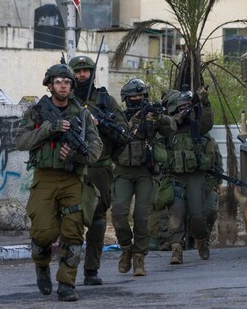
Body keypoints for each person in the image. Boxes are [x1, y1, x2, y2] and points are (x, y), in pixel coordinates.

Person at [14, 64, 103, 301]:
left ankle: (67, 284)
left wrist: (76, 155)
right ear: (50, 85)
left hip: (73, 179)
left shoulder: (82, 115)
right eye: (58, 81)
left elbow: (95, 149)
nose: (63, 85)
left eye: (67, 81)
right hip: (45, 178)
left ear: (72, 85)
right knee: (44, 233)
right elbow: (21, 141)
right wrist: (48, 129)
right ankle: (42, 265)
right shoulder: (37, 112)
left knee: (73, 233)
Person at [69, 55, 129, 285]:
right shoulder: (65, 99)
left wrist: (101, 124)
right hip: (73, 167)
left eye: (86, 71)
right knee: (71, 220)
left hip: (100, 168)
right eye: (78, 71)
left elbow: (123, 132)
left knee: (97, 221)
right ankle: (68, 270)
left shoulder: (106, 101)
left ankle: (91, 270)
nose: (82, 75)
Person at [112, 78, 176, 276]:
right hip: (123, 170)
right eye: (132, 97)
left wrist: (158, 118)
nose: (136, 99)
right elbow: (112, 136)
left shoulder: (152, 116)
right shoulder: (119, 117)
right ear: (126, 99)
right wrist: (133, 122)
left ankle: (139, 257)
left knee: (142, 216)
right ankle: (126, 248)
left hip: (146, 171)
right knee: (118, 213)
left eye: (140, 96)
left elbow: (170, 128)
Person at [162, 87, 214, 264]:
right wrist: (174, 120)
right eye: (181, 108)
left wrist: (205, 101)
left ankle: (201, 240)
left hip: (195, 176)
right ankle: (176, 248)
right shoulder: (168, 129)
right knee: (176, 215)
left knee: (198, 216)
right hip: (175, 177)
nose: (185, 111)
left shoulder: (195, 126)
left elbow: (207, 122)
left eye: (187, 107)